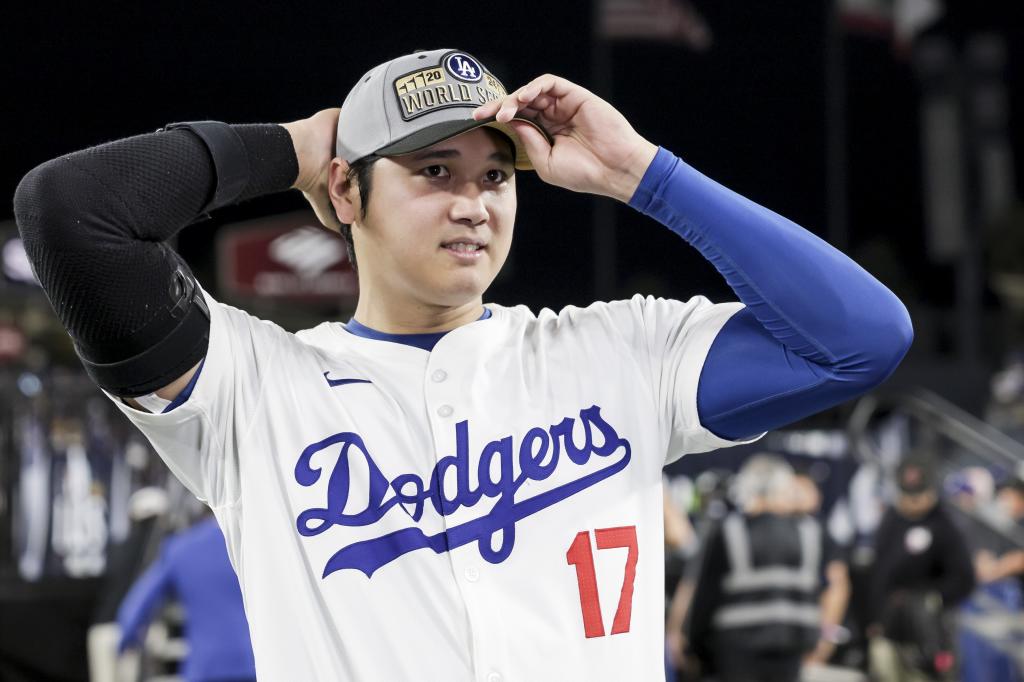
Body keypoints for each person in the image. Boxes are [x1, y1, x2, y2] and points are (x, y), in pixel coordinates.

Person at [14, 48, 912, 680]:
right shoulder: (253, 389)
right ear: (346, 189)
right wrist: (300, 144)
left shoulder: (616, 351)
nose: (474, 204)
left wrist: (646, 174)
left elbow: (861, 339)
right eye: (433, 171)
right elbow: (71, 210)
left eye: (495, 175)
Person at [684, 455, 824, 682]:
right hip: (792, 648)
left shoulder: (730, 530)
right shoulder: (810, 532)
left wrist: (694, 646)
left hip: (738, 651)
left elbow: (705, 596)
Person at [868, 457, 976, 681]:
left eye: (919, 495)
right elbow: (878, 573)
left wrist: (933, 597)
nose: (913, 501)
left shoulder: (944, 525)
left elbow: (964, 578)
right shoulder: (890, 521)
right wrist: (877, 616)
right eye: (907, 495)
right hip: (891, 624)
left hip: (930, 628)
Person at [116, 516, 256, 682]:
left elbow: (135, 608)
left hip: (204, 668)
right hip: (255, 664)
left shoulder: (181, 548)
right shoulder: (255, 548)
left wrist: (126, 642)